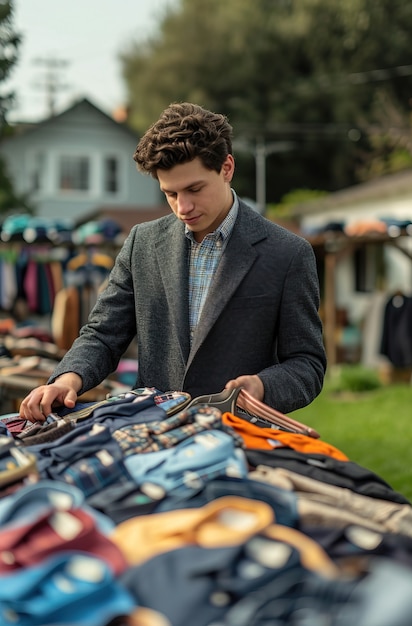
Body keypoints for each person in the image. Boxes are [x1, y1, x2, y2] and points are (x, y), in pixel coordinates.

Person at [19, 102, 326, 423]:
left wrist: (264, 386)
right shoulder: (143, 242)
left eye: (194, 189)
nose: (183, 206)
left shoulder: (288, 252)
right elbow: (103, 335)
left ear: (227, 168)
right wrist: (69, 378)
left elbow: (307, 363)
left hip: (241, 437)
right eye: (170, 193)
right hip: (153, 433)